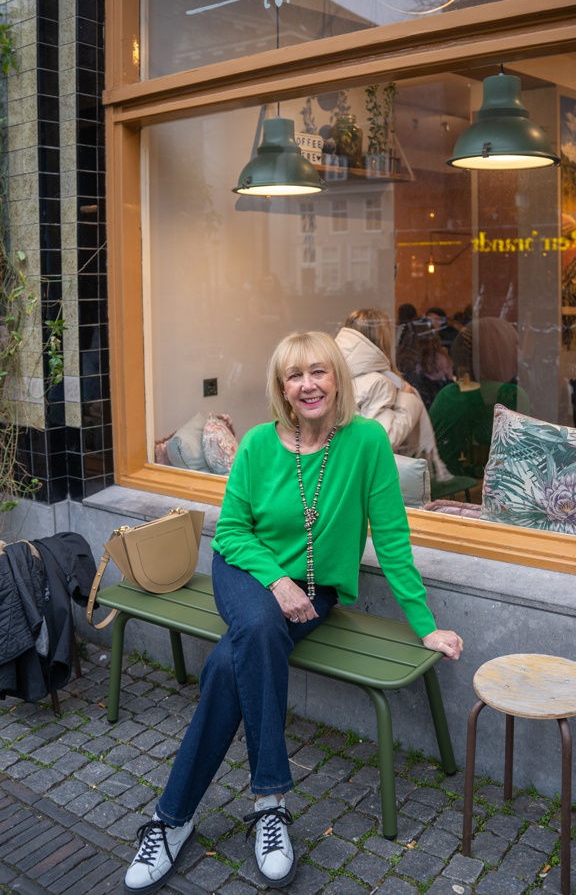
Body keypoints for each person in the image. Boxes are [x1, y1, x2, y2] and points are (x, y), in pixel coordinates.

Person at [124, 330, 463, 895]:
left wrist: (424, 626)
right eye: (294, 376)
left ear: (337, 378)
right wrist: (277, 582)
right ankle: (271, 802)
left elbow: (393, 540)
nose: (308, 385)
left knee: (228, 665)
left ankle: (171, 819)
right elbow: (231, 532)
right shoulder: (259, 444)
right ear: (282, 388)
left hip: (314, 591)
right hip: (247, 572)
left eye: (318, 372)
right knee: (258, 624)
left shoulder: (366, 444)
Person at [335, 308, 452, 481]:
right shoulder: (379, 382)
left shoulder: (336, 373)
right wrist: (408, 400)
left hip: (343, 467)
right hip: (375, 476)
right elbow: (384, 440)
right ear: (383, 338)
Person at [430, 317, 529, 477]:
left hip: (446, 487)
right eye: (514, 346)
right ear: (500, 354)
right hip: (485, 487)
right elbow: (520, 461)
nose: (520, 353)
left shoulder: (446, 394)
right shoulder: (510, 395)